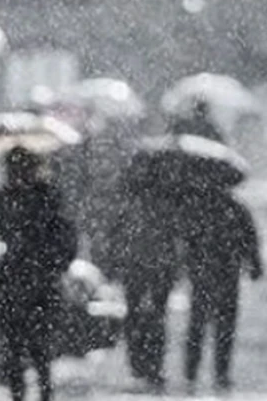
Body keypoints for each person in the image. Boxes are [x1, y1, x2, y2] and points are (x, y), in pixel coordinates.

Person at [0, 147, 78, 401]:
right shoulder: (4, 197)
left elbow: (61, 235)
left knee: (38, 349)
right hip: (16, 279)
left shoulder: (46, 196)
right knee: (16, 349)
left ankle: (42, 393)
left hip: (38, 280)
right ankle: (21, 394)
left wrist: (51, 263)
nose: (14, 174)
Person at [108, 154, 182, 390]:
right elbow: (174, 235)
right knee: (152, 318)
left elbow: (116, 234)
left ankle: (142, 363)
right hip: (152, 266)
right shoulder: (166, 199)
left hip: (142, 266)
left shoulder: (131, 199)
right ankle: (150, 364)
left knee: (138, 316)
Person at [181, 186, 262, 392]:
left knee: (197, 326)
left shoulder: (199, 208)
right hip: (227, 275)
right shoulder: (237, 209)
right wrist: (254, 266)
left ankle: (191, 373)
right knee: (224, 327)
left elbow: (187, 241)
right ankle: (221, 374)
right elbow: (250, 240)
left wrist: (189, 264)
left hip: (203, 276)